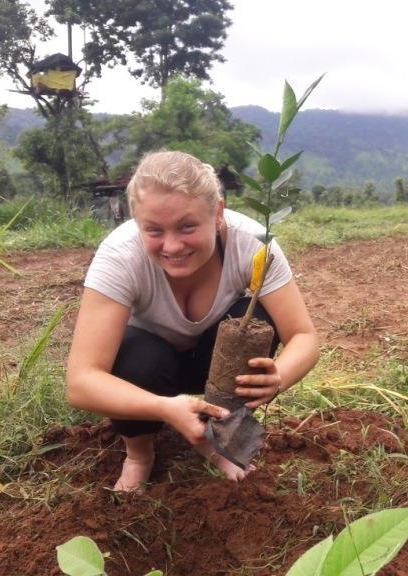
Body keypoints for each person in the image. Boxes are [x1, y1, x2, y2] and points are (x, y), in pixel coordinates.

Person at [65, 150, 320, 491]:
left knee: (256, 317)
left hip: (213, 361)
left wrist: (279, 378)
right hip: (149, 372)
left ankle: (221, 440)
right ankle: (139, 454)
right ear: (136, 221)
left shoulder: (253, 244)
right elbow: (81, 381)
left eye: (187, 227)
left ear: (217, 214)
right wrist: (163, 408)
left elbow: (303, 336)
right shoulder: (120, 256)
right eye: (153, 230)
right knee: (133, 351)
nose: (172, 245)